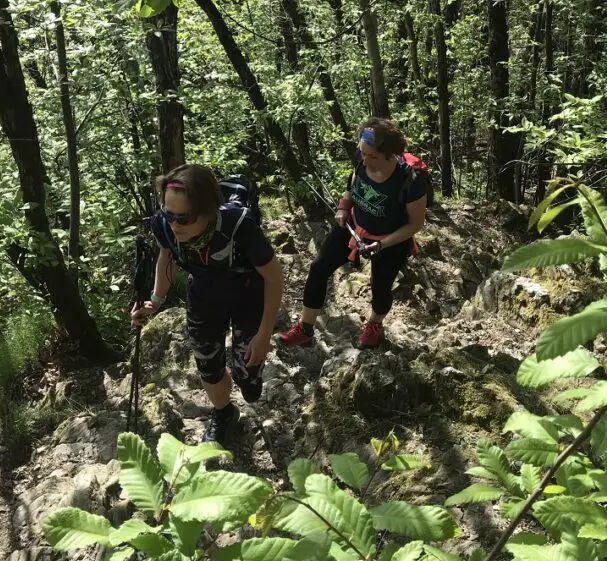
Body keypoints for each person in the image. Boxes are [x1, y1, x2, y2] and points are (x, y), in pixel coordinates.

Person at [131, 164, 283, 444]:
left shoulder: (239, 226)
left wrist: (263, 335)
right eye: (169, 214)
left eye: (184, 218)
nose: (174, 224)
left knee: (247, 378)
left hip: (249, 295)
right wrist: (155, 301)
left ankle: (246, 379)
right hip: (203, 294)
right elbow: (167, 258)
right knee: (207, 366)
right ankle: (224, 413)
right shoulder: (165, 225)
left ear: (208, 210)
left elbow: (274, 278)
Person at [277, 118, 428, 350]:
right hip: (354, 225)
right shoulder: (361, 158)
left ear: (391, 154)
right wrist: (343, 206)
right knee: (318, 268)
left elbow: (415, 224)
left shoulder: (411, 181)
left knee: (380, 287)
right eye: (362, 153)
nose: (365, 160)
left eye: (372, 156)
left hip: (390, 240)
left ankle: (375, 325)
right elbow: (352, 183)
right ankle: (305, 329)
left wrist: (382, 245)